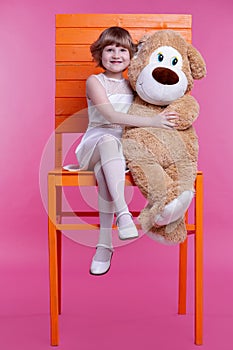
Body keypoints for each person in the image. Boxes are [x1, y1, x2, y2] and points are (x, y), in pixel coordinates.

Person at [75, 27, 178, 275]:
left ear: (132, 55)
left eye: (122, 50)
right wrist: (154, 122)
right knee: (109, 143)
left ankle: (104, 245)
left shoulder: (134, 85)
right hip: (95, 143)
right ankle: (123, 215)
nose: (116, 54)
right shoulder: (94, 81)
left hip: (121, 153)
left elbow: (153, 102)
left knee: (105, 171)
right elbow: (109, 116)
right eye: (109, 49)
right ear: (100, 54)